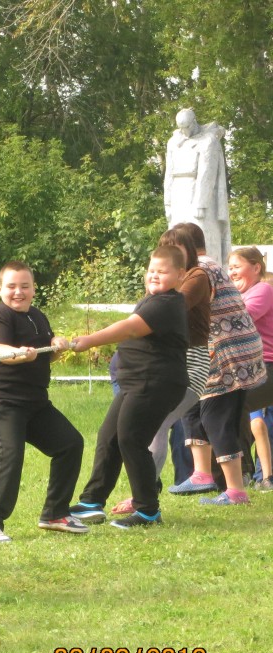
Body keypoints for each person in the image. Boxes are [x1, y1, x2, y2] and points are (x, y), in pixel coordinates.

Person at [67, 246, 188, 529]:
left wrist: (89, 340)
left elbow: (131, 328)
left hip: (156, 382)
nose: (154, 275)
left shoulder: (167, 303)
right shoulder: (152, 300)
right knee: (109, 437)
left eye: (163, 271)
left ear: (180, 275)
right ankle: (92, 501)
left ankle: (148, 510)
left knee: (131, 439)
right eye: (151, 270)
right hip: (136, 381)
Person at [0, 262, 86, 539]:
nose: (18, 292)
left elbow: (47, 354)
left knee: (70, 444)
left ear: (34, 289)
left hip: (36, 402)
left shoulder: (37, 316)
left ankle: (55, 514)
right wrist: (18, 353)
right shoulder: (0, 316)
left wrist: (58, 344)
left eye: (25, 286)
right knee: (10, 454)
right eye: (11, 286)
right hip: (3, 401)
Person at [110, 228, 211, 513]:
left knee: (154, 427)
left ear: (187, 255)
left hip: (188, 365)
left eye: (177, 248)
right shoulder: (161, 288)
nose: (170, 254)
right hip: (159, 367)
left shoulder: (194, 278)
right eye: (164, 247)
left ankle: (144, 497)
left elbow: (158, 313)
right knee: (146, 429)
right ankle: (145, 493)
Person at [168, 222, 266, 505]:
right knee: (192, 405)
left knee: (215, 417)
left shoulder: (202, 270)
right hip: (219, 352)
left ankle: (236, 490)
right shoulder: (202, 268)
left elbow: (178, 304)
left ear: (183, 247)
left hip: (229, 355)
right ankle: (202, 474)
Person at [227, 246, 273, 490]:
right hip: (247, 367)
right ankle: (239, 474)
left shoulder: (262, 289)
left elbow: (244, 319)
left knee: (236, 404)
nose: (232, 272)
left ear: (256, 267)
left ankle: (245, 473)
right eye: (230, 268)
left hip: (267, 365)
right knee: (231, 407)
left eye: (237, 266)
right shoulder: (238, 295)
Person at [164, 108, 231, 265]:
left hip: (198, 193)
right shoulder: (173, 142)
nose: (184, 131)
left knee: (201, 233)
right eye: (181, 128)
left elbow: (207, 174)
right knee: (176, 234)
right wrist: (167, 203)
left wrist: (201, 204)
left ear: (194, 122)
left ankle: (207, 269)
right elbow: (168, 174)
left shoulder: (208, 140)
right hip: (178, 192)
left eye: (187, 126)